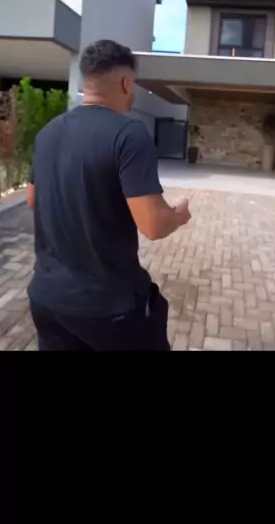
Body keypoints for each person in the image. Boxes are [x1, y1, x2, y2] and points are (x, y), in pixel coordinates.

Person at [26, 39, 191, 351]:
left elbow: (33, 200)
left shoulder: (48, 132)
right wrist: (178, 215)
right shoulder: (129, 133)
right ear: (126, 83)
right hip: (109, 308)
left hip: (47, 299)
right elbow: (154, 225)